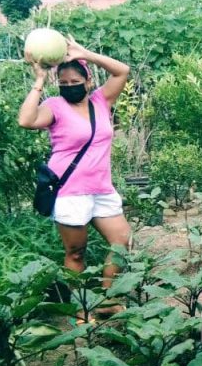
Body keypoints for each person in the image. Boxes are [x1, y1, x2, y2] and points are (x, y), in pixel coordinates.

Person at [17, 37, 131, 319]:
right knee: (76, 253)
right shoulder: (55, 106)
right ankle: (80, 311)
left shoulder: (101, 101)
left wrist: (86, 53)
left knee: (122, 242)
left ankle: (106, 300)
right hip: (70, 192)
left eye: (75, 82)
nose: (69, 86)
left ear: (88, 81)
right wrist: (39, 80)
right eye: (63, 83)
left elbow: (122, 71)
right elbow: (26, 120)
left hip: (102, 189)